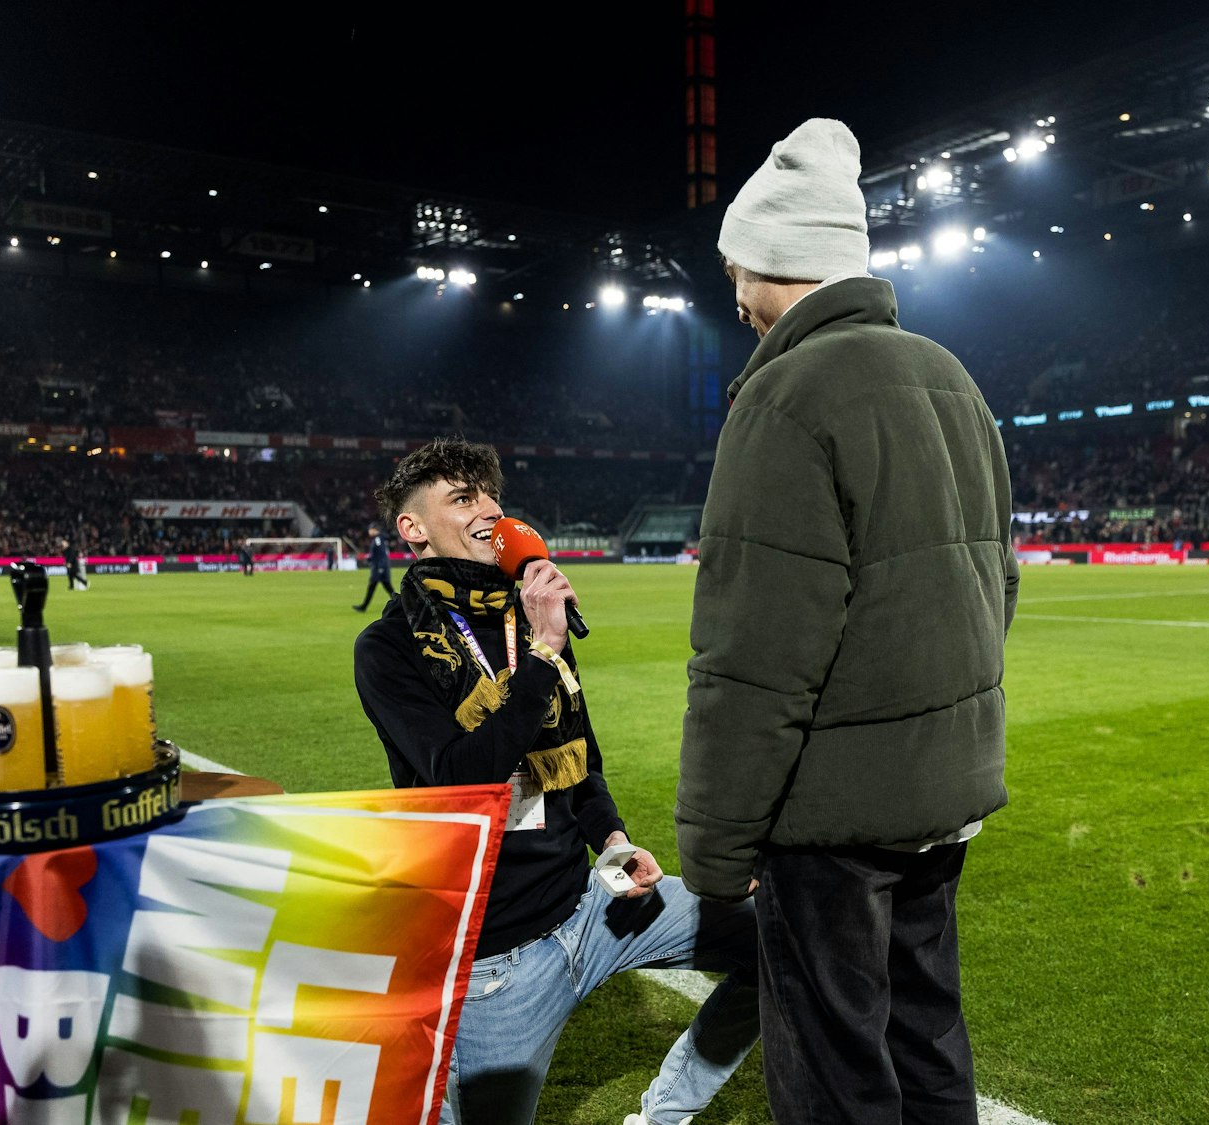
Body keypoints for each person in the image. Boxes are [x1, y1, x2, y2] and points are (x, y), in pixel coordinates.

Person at [676, 118, 1018, 1125]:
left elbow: (753, 658)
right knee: (923, 1040)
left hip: (830, 816)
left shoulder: (784, 395)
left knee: (835, 1069)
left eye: (733, 264)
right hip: (939, 792)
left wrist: (716, 847)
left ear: (771, 258)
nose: (729, 290)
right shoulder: (948, 375)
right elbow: (995, 586)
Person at [354, 438, 757, 1125]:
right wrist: (542, 654)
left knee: (775, 939)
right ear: (412, 529)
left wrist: (614, 841)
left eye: (488, 494)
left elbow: (582, 766)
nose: (487, 508)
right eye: (462, 497)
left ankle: (663, 1117)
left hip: (592, 907)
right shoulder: (390, 648)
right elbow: (465, 774)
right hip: (497, 959)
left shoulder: (524, 618)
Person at [351, 521, 395, 612]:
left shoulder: (378, 539)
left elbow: (382, 554)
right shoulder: (379, 539)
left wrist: (381, 568)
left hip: (379, 569)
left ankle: (363, 607)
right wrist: (369, 559)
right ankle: (400, 604)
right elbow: (378, 554)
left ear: (375, 530)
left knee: (374, 587)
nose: (369, 531)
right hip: (380, 568)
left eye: (370, 529)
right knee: (388, 589)